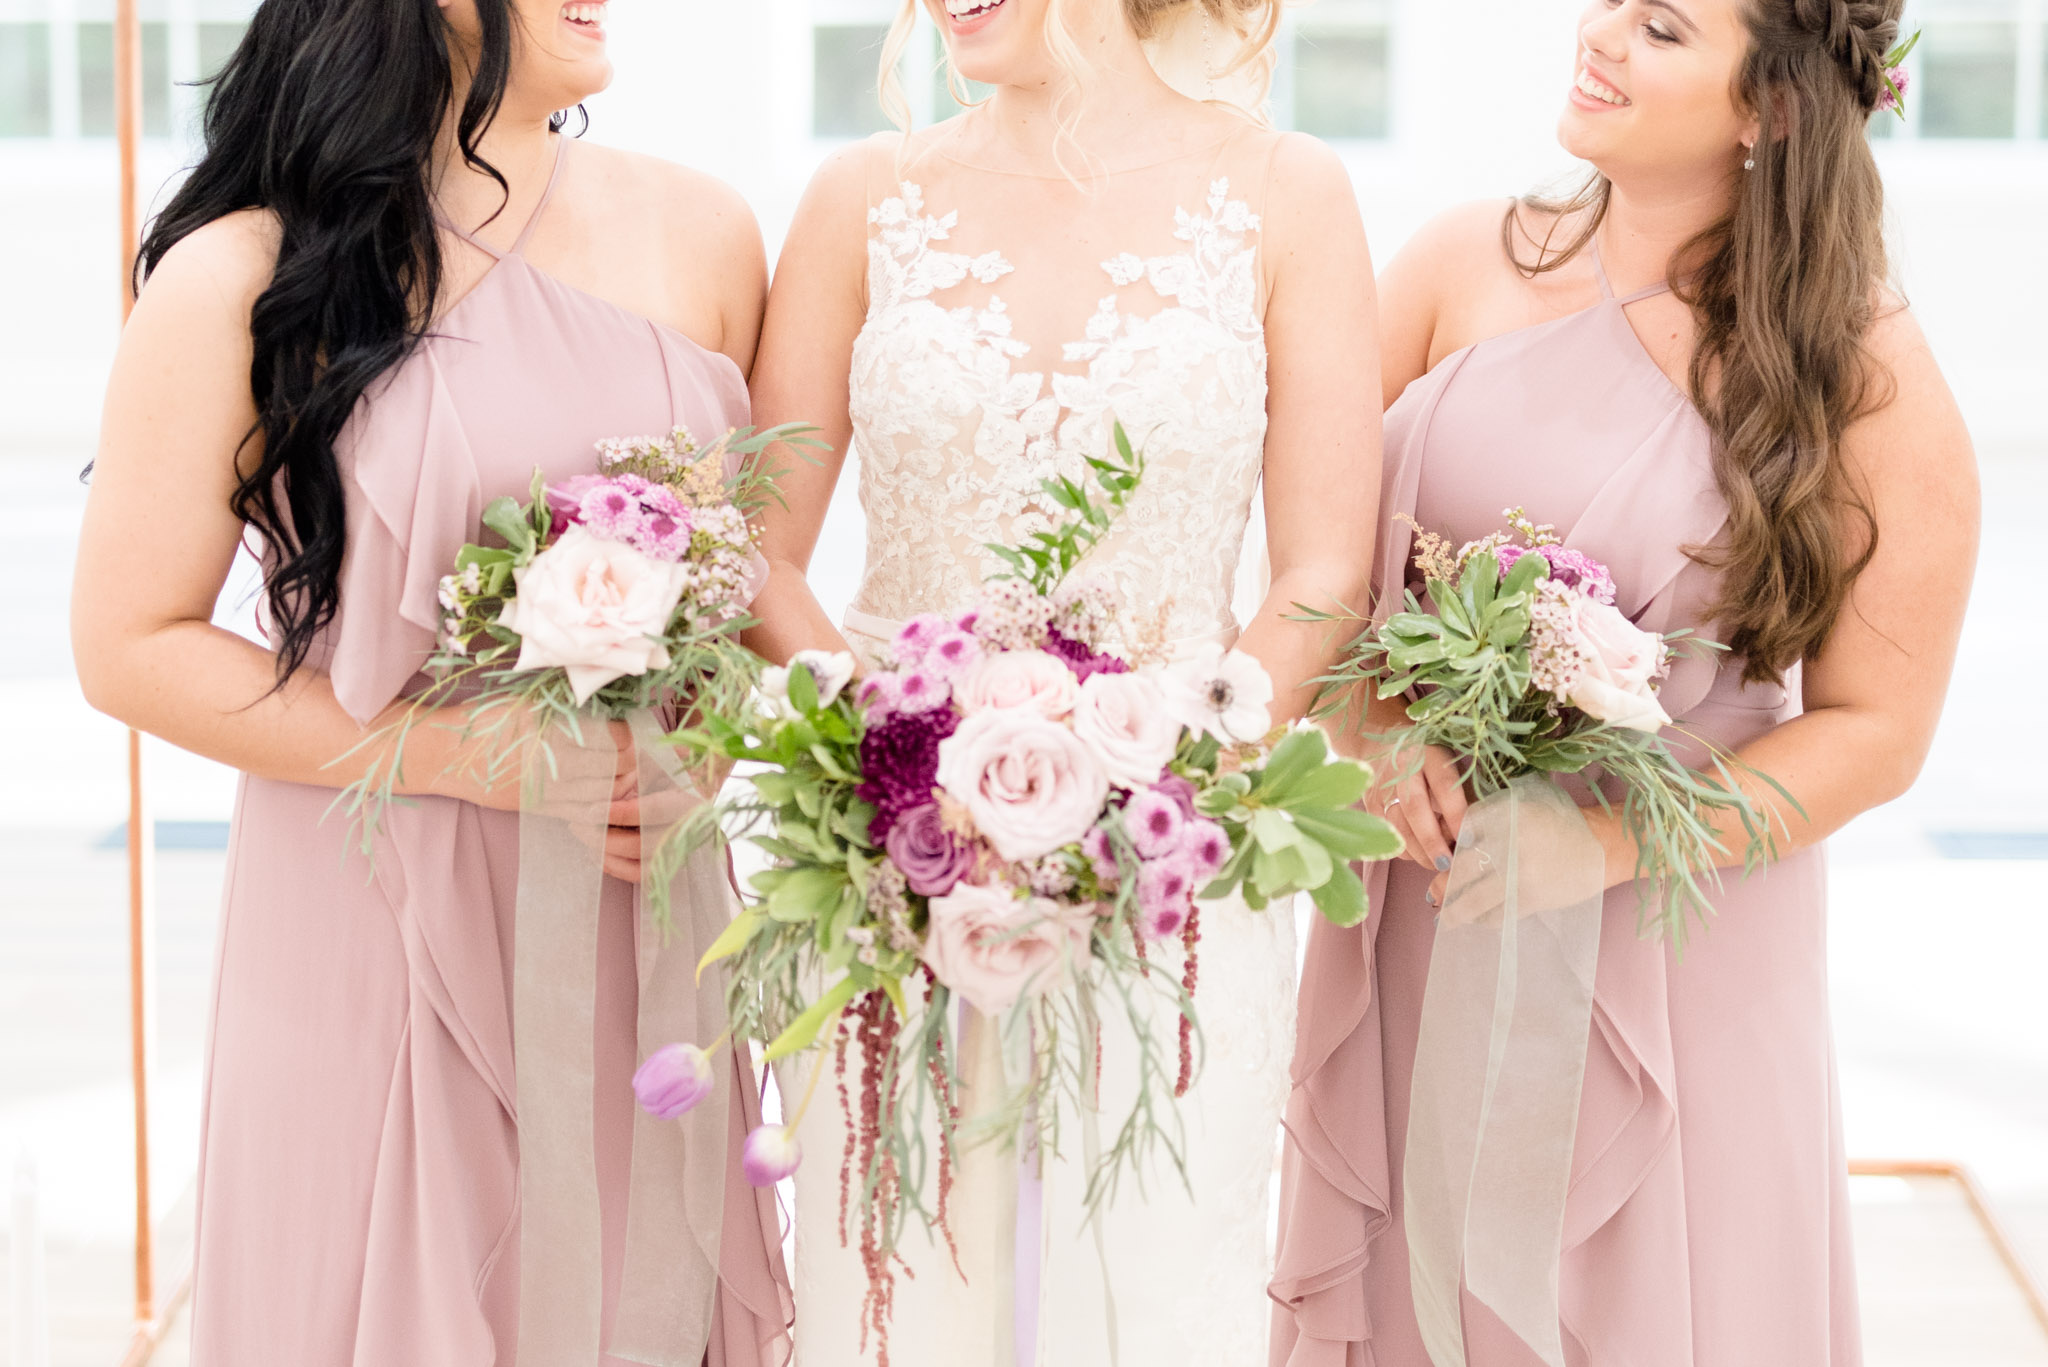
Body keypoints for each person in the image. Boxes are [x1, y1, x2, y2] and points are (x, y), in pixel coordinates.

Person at [69, 0, 790, 1360]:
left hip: (638, 904)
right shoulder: (245, 273)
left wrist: (710, 743)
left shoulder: (703, 230)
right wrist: (474, 758)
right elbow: (128, 643)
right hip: (372, 896)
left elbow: (740, 595)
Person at [1271, 2, 1977, 1364]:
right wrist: (1371, 726)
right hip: (1434, 891)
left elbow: (1881, 729)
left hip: (1677, 927)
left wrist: (1603, 845)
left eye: (1660, 29)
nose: (1599, 37)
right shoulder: (1455, 261)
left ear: (1767, 110)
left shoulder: (1864, 369)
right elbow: (1319, 557)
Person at [744, 0, 1380, 1362]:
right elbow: (764, 553)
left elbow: (1324, 574)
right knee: (901, 1288)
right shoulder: (861, 198)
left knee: (1142, 1292)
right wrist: (902, 757)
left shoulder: (1287, 192)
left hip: (1172, 861)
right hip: (889, 859)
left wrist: (1142, 770)